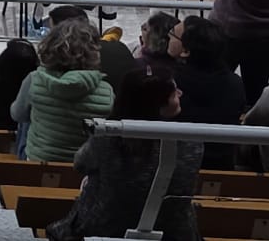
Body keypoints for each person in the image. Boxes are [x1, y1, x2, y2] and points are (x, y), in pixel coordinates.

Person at [46, 67, 202, 241]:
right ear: (158, 106)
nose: (180, 94)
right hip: (174, 231)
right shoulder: (191, 142)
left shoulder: (107, 138)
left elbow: (80, 164)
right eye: (173, 94)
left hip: (105, 225)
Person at [15, 17, 115, 163]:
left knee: (27, 117)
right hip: (80, 170)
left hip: (38, 163)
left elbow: (17, 114)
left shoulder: (35, 79)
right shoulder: (107, 92)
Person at [168, 14, 246, 170]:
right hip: (223, 167)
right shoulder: (235, 84)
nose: (168, 36)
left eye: (172, 34)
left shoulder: (170, 84)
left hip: (179, 167)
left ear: (185, 51)